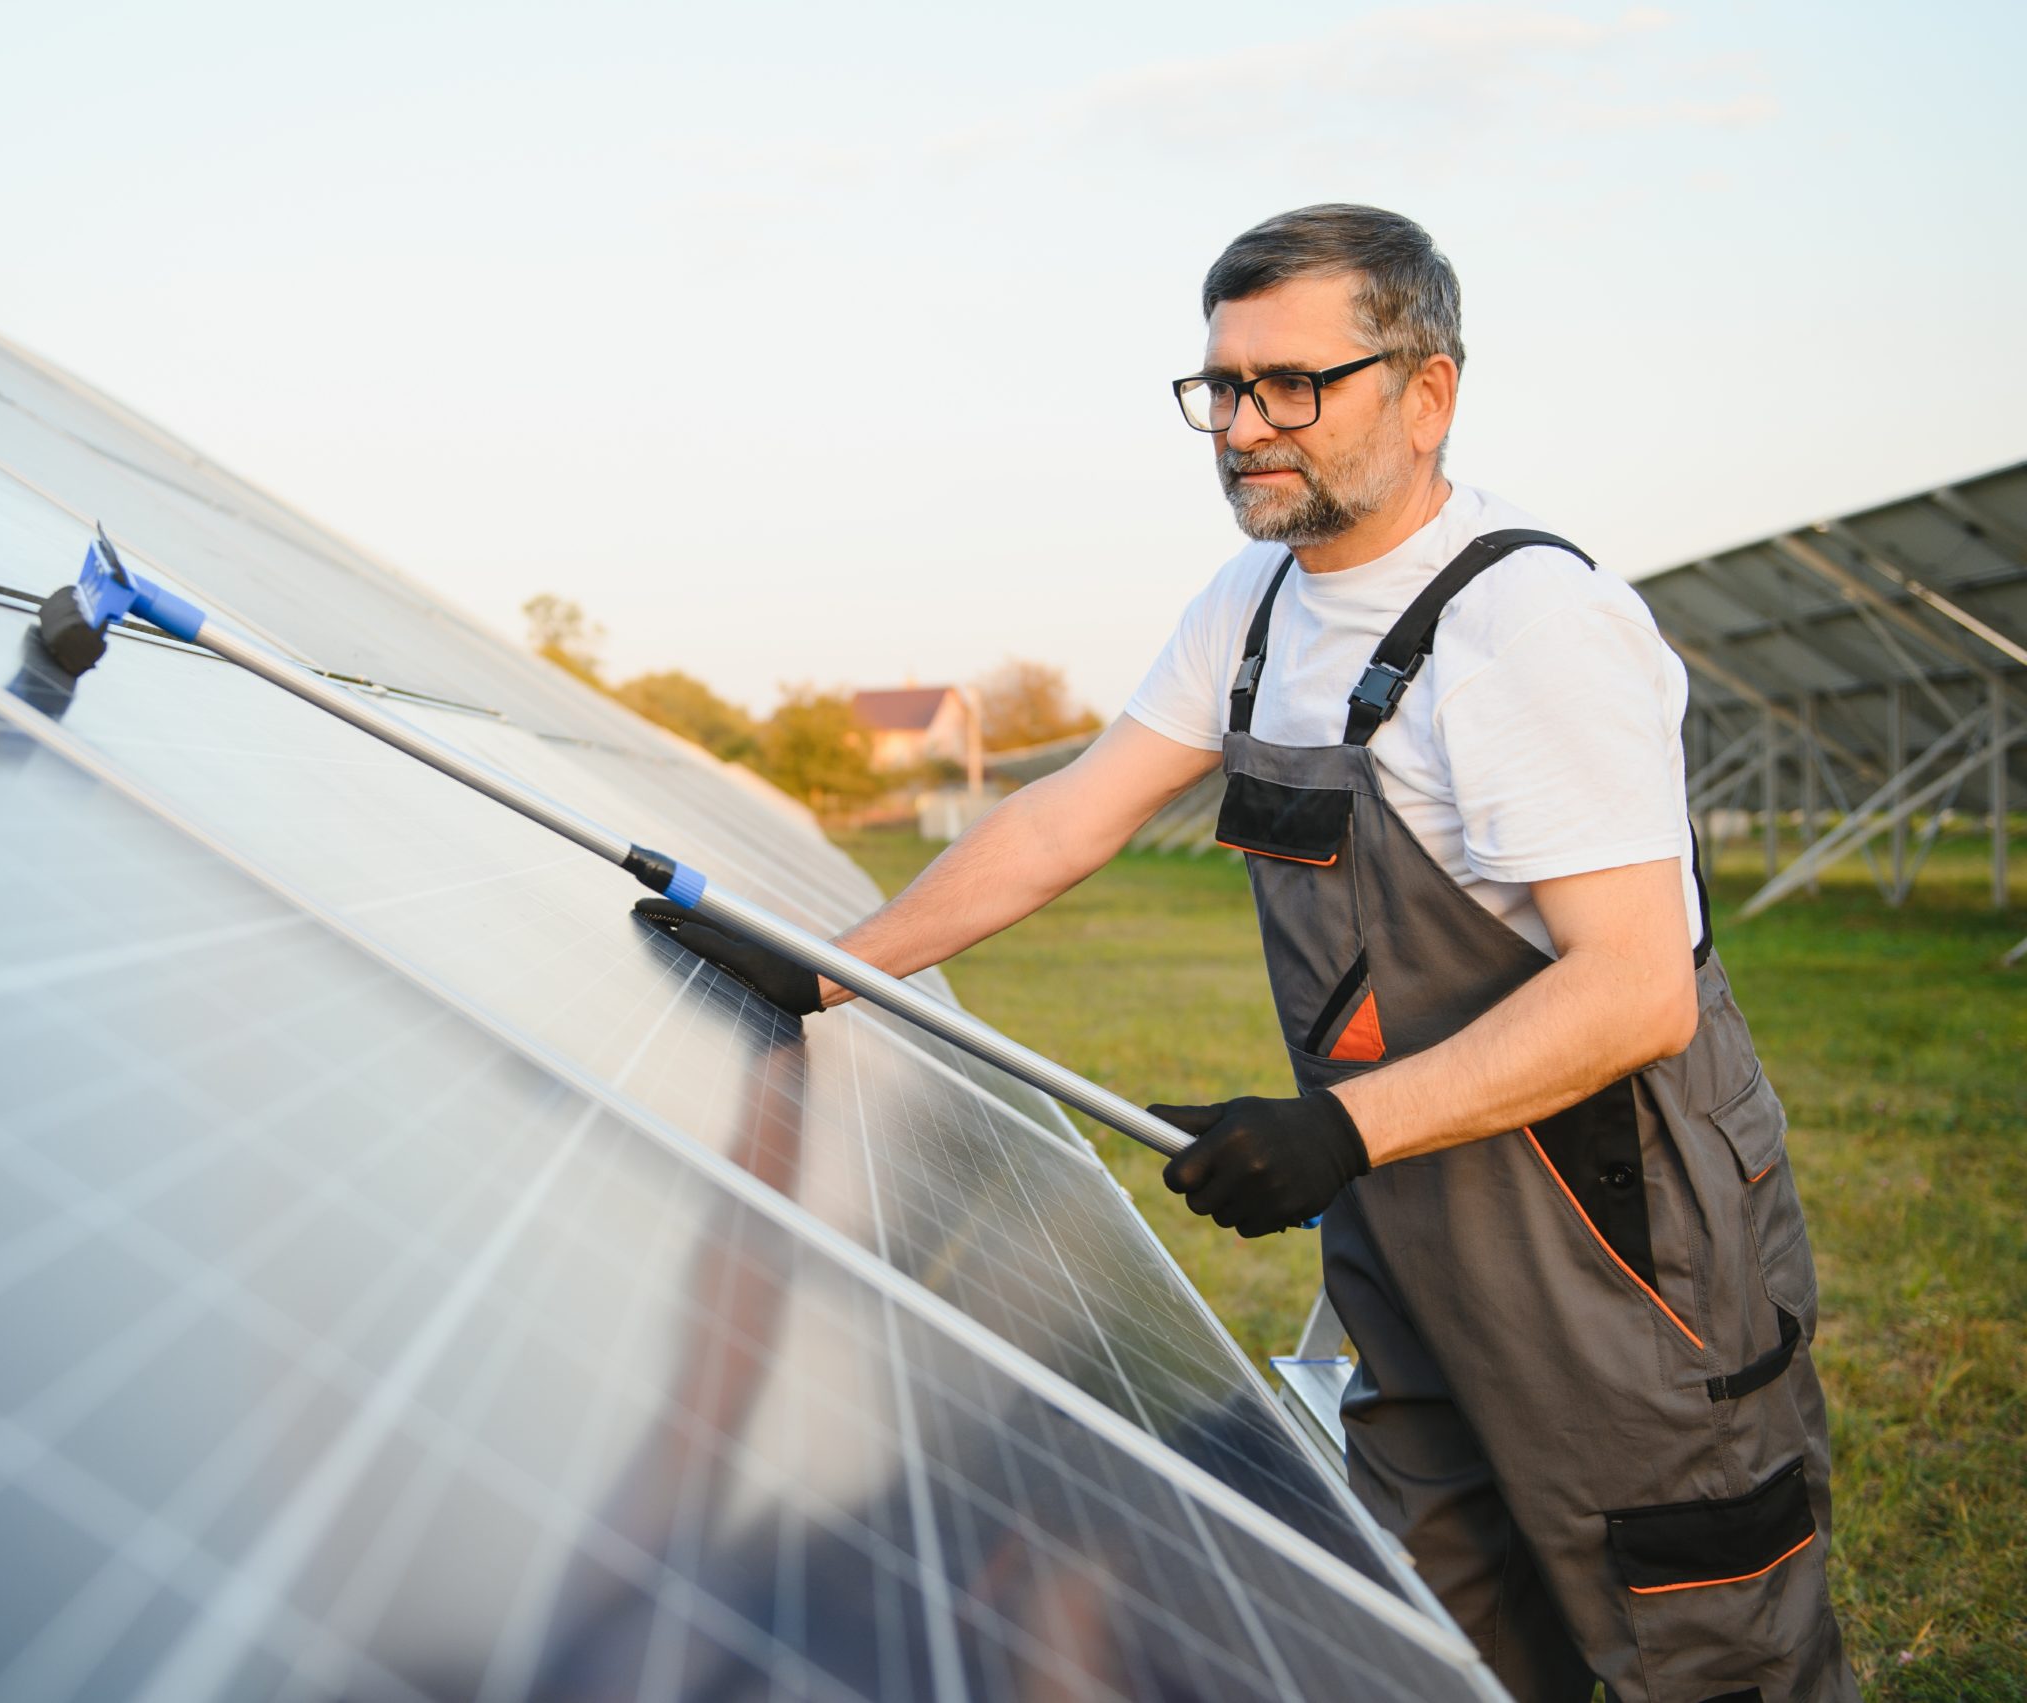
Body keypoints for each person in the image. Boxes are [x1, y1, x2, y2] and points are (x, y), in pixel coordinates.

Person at [638, 204, 1854, 1702]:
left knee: (1699, 1649)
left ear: (1428, 394)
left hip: (1623, 1252)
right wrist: (827, 961)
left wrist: (1336, 1129)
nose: (1243, 426)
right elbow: (1069, 819)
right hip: (1410, 1233)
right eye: (1221, 387)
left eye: (1294, 384)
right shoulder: (1256, 610)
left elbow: (1633, 989)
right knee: (1421, 1647)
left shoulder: (1529, 624)